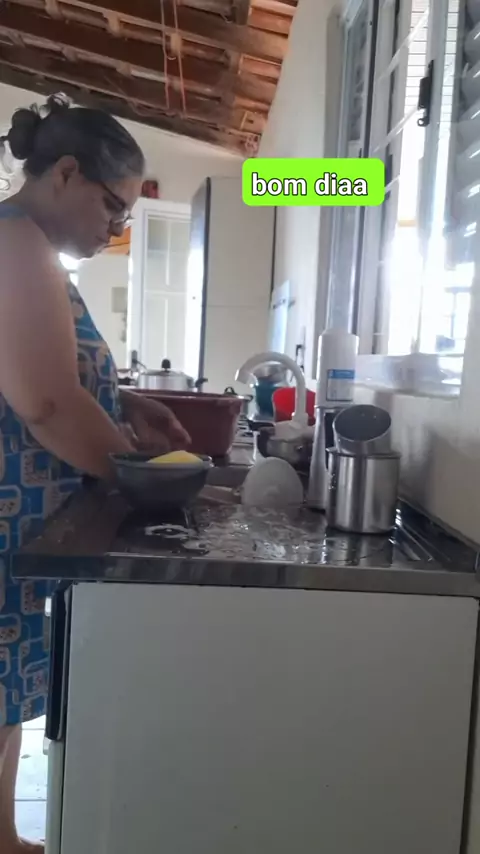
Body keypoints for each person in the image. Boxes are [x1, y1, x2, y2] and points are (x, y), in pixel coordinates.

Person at [0, 94, 190, 854]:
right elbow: (45, 402)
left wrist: (125, 400)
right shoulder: (15, 244)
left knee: (4, 694)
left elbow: (41, 374)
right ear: (66, 174)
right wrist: (136, 475)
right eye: (113, 206)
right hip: (5, 516)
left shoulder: (28, 247)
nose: (116, 228)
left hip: (18, 518)